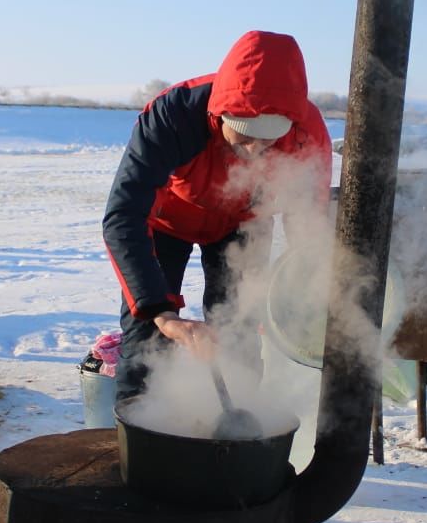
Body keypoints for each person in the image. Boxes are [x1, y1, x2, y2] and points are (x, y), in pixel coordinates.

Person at [103, 30, 333, 401]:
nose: (256, 150)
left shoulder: (307, 133)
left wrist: (310, 285)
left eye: (269, 140)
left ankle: (236, 433)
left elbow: (308, 218)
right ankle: (139, 439)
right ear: (219, 113)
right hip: (165, 221)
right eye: (243, 137)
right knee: (148, 339)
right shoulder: (173, 114)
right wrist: (162, 314)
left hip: (244, 220)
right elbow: (123, 215)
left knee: (239, 333)